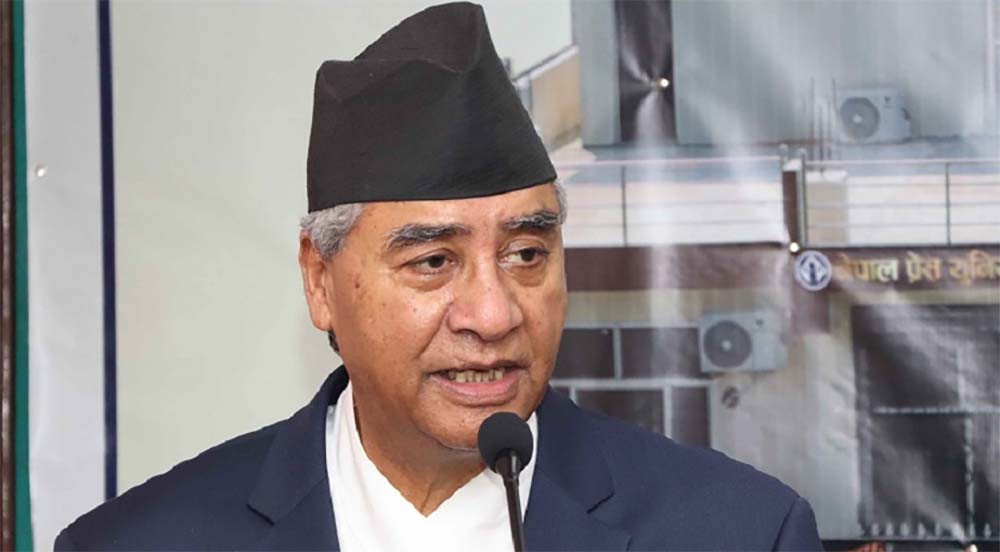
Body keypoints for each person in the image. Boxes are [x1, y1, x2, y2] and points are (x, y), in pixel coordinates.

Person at [55, 2, 823, 550]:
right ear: (320, 280)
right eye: (432, 261)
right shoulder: (145, 541)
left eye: (526, 254)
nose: (494, 315)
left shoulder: (738, 531)